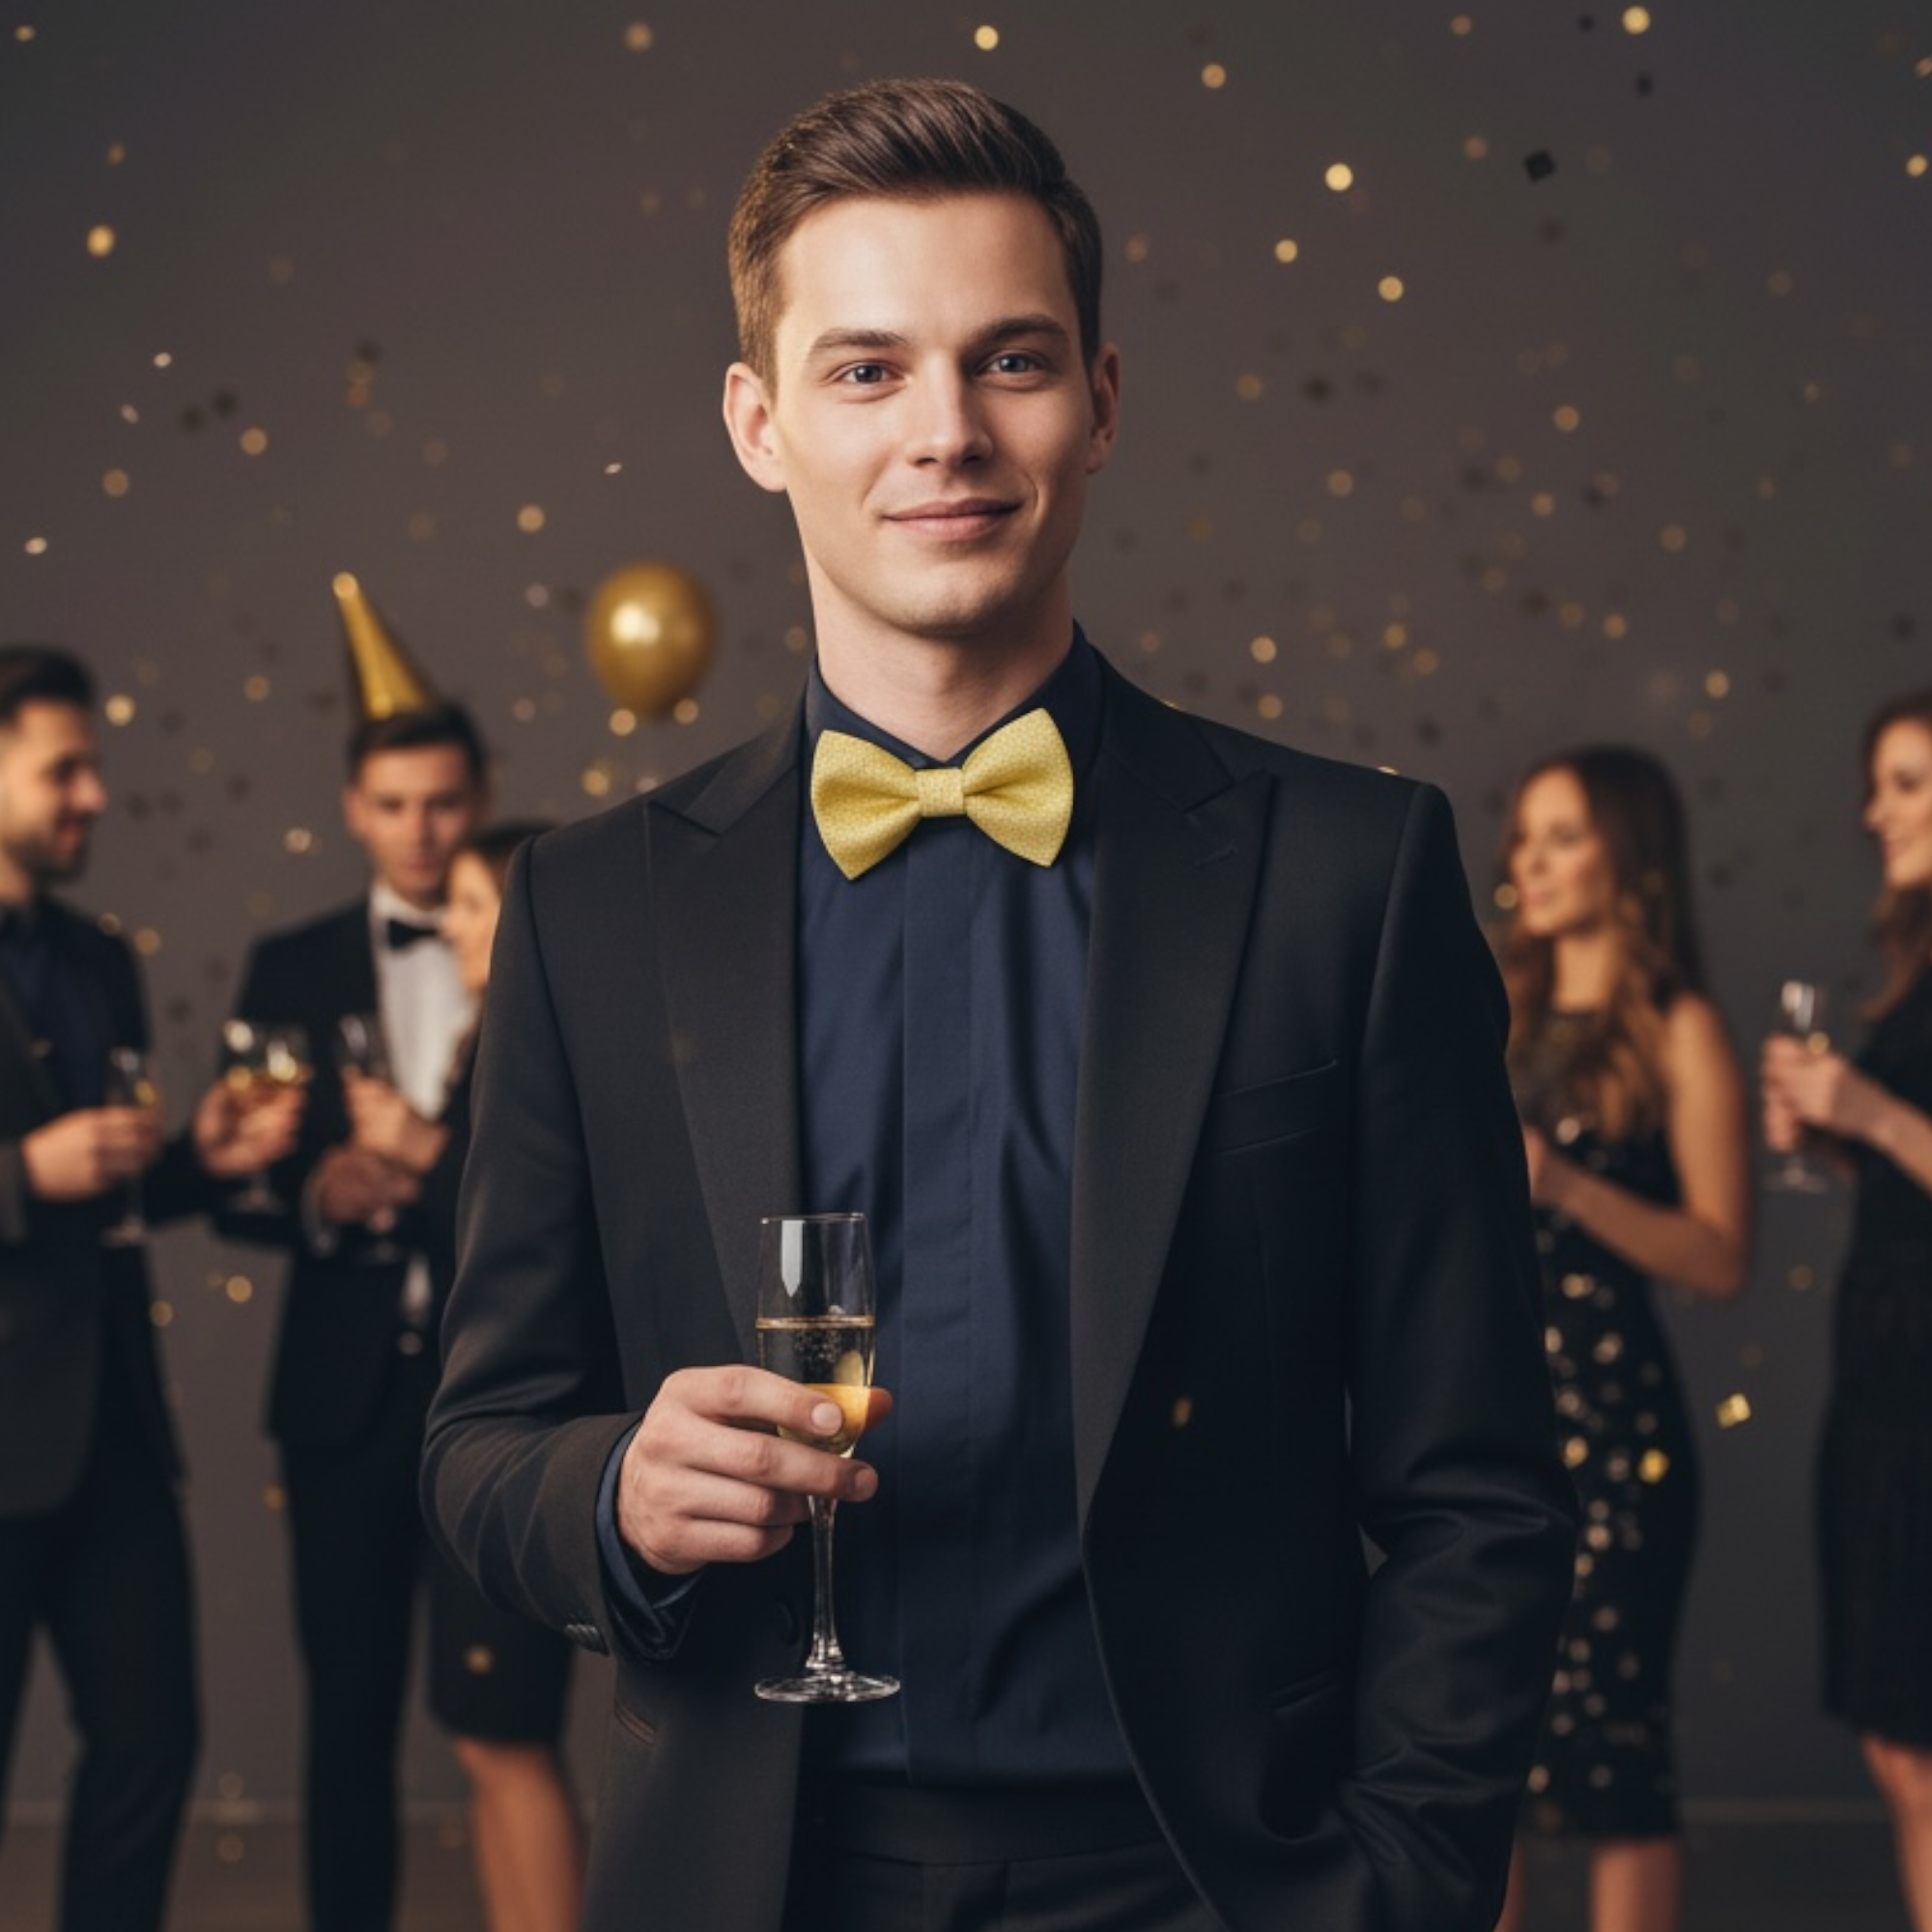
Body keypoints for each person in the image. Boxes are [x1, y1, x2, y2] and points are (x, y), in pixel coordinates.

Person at [423, 78, 1577, 1932]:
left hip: (1215, 1884)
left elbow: (1483, 1490)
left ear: (1101, 404)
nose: (946, 433)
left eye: (1011, 361)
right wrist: (617, 1492)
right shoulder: (584, 910)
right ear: (758, 421)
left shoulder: (1351, 878)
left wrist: (1403, 1886)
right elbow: (478, 1446)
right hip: (752, 1884)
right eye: (867, 370)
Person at [0, 643, 301, 1932]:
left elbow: (106, 1188)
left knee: (154, 1742)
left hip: (115, 1425)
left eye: (92, 768)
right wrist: (21, 1170)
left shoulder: (102, 956)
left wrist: (199, 1164)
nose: (93, 797)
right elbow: (51, 1178)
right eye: (63, 769)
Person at [221, 630, 489, 1932]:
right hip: (338, 1402)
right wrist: (315, 1196)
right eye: (393, 806)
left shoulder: (532, 947)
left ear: (477, 804)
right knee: (347, 1715)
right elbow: (236, 1174)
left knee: (507, 1719)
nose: (421, 832)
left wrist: (436, 1165)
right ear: (352, 812)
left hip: (496, 1391)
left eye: (443, 803)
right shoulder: (291, 964)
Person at [1493, 747, 1750, 1932]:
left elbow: (1719, 1254)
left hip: (1616, 1436)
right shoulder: (1506, 1006)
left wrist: (1567, 1186)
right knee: (1472, 1738)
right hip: (1490, 1415)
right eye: (1524, 836)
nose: (1525, 861)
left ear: (1625, 855)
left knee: (1608, 1752)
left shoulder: (1674, 1025)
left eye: (1559, 836)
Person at [343, 820, 583, 1932]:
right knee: (484, 1731)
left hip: (529, 1423)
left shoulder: (539, 1043)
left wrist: (422, 1154)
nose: (456, 926)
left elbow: (541, 1238)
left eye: (479, 905)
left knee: (504, 1731)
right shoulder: (487, 1038)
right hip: (475, 1419)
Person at [1762, 687, 1932, 1932]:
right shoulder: (1915, 964)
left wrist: (1865, 1111)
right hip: (1890, 1391)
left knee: (1917, 1749)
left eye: (1907, 782)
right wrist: (1839, 1144)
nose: (1875, 811)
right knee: (1900, 1747)